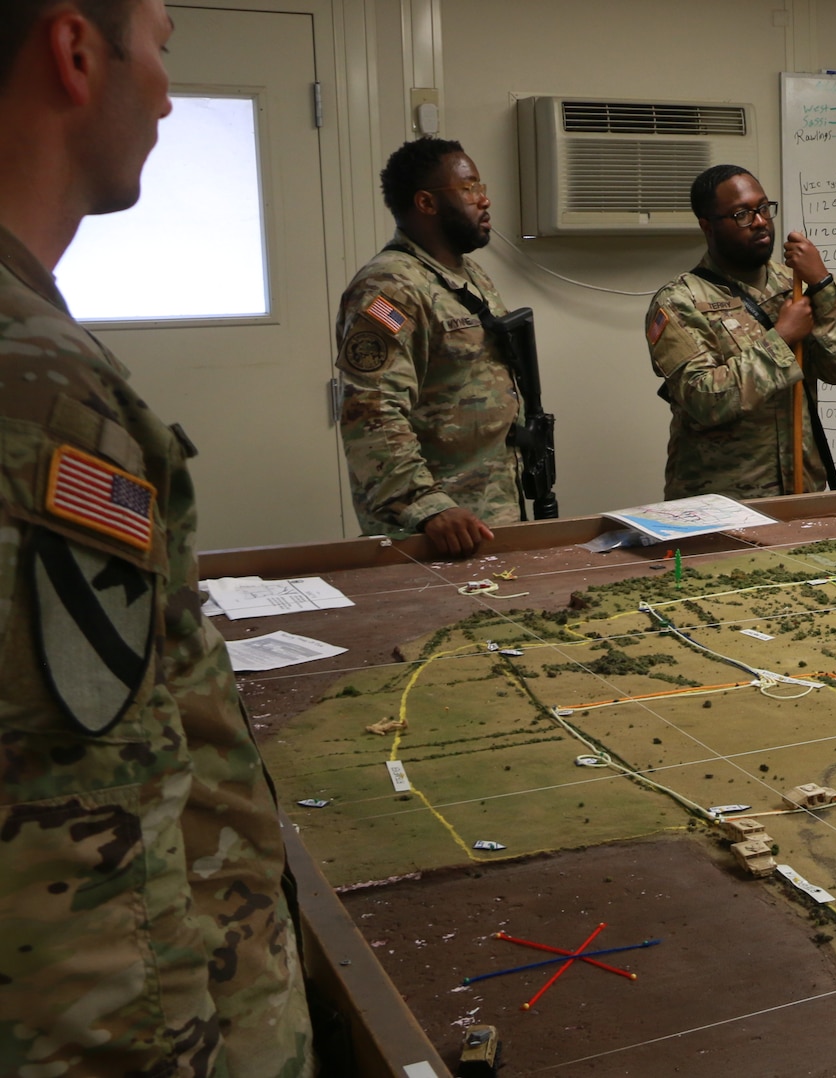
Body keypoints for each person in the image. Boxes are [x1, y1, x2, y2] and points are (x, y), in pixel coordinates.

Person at [0, 1, 313, 1074]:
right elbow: (80, 872)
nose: (172, 97)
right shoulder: (36, 393)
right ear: (77, 51)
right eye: (163, 49)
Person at [336, 137, 521, 558]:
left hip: (487, 512)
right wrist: (428, 508)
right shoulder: (390, 288)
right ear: (426, 203)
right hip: (433, 528)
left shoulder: (464, 275)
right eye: (469, 188)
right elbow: (372, 411)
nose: (484, 199)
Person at [646, 165, 836, 500]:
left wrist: (823, 284)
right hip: (723, 503)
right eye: (741, 215)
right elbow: (704, 399)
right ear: (707, 225)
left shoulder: (792, 283)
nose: (761, 221)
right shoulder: (679, 301)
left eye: (764, 208)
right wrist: (781, 339)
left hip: (801, 492)